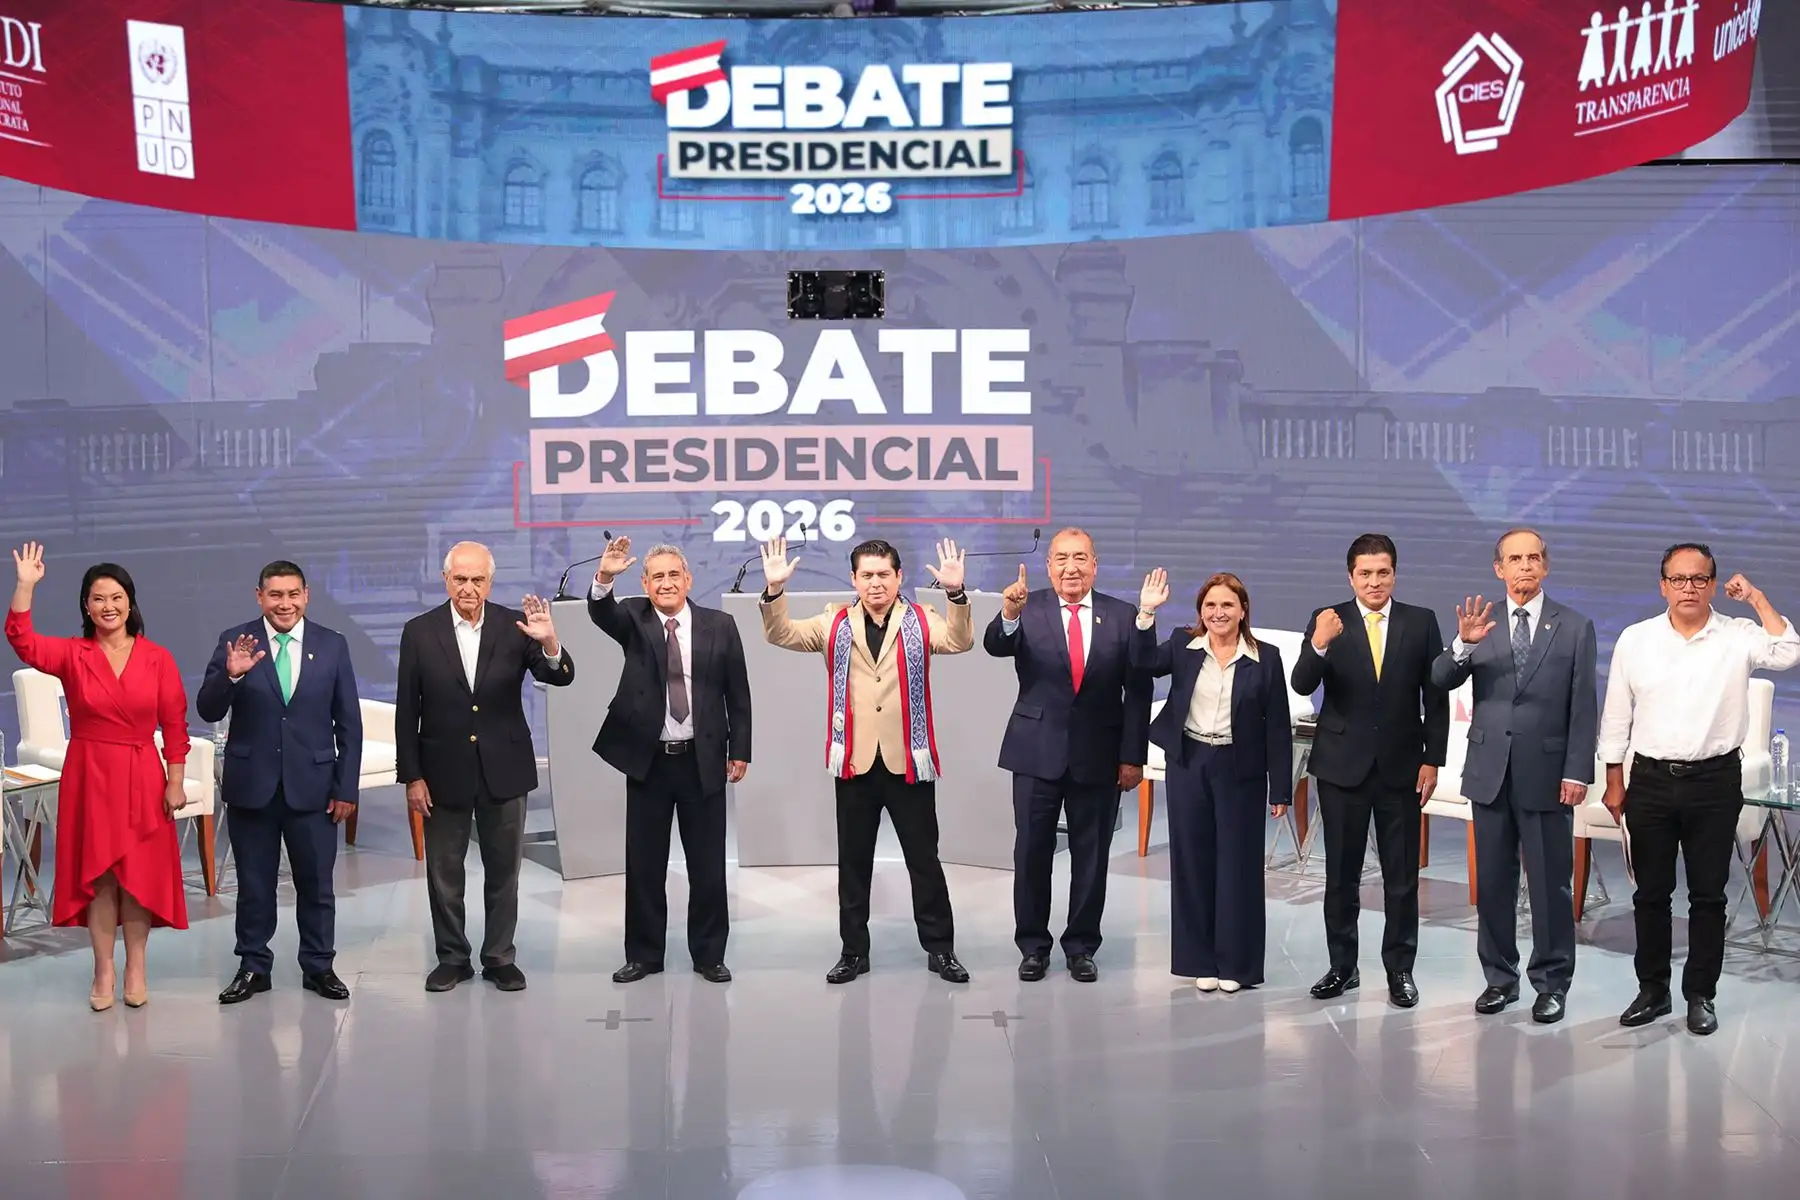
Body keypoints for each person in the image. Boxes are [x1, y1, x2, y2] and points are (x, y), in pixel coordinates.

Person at [1599, 543, 1800, 1035]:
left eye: (1699, 579)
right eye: (1678, 579)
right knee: (1651, 894)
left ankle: (1700, 994)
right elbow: (1617, 714)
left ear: (1712, 585)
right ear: (1662, 584)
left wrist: (1754, 597)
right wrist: (1613, 780)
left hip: (1714, 781)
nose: (1688, 588)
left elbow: (1789, 651)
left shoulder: (1737, 635)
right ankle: (1653, 990)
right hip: (1648, 780)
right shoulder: (1636, 639)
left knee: (1708, 896)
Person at [759, 536, 974, 984]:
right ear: (853, 579)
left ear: (899, 577)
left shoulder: (921, 618)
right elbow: (780, 633)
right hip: (855, 762)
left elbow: (959, 640)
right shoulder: (833, 622)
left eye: (884, 574)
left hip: (908, 761)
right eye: (866, 575)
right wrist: (775, 590)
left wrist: (956, 594)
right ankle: (854, 951)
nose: (875, 583)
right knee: (853, 863)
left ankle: (941, 949)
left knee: (924, 861)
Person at [6, 542, 191, 1010]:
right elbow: (22, 640)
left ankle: (136, 967)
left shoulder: (157, 658)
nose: (108, 607)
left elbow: (174, 724)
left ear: (130, 602)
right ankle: (103, 969)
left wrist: (175, 779)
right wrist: (26, 585)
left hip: (142, 774)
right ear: (86, 607)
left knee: (137, 877)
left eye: (116, 598)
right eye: (98, 599)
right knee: (102, 877)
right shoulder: (73, 654)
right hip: (90, 775)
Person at [1430, 530, 1596, 1025]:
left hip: (1548, 774)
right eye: (1514, 559)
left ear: (1545, 566)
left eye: (1533, 558)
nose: (1524, 566)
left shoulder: (1574, 626)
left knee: (1550, 886)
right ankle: (1500, 979)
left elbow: (1583, 706)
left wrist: (1577, 771)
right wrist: (1463, 643)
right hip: (1490, 773)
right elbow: (1440, 678)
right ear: (1498, 569)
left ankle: (1552, 983)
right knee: (1494, 884)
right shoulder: (1481, 623)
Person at [395, 541, 573, 994]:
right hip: (441, 773)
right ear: (446, 580)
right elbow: (405, 711)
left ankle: (499, 957)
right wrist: (412, 776)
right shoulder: (419, 631)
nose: (469, 588)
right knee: (444, 875)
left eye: (477, 579)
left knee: (504, 873)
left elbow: (559, 675)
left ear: (490, 582)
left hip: (505, 771)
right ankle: (452, 958)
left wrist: (549, 640)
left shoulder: (518, 627)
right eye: (460, 579)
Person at [983, 528, 1150, 983]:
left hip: (1099, 754)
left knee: (1091, 856)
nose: (1070, 567)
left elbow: (1137, 690)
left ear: (1095, 565)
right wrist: (1008, 614)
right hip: (1036, 752)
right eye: (1061, 558)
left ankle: (1081, 946)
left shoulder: (1122, 615)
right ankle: (1033, 946)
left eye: (1080, 558)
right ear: (1048, 565)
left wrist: (1133, 755)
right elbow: (996, 644)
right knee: (1032, 852)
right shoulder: (1026, 606)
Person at [1291, 533, 1449, 1008]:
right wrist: (1318, 644)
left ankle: (1400, 969)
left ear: (1395, 574)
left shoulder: (1421, 622)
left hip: (1402, 768)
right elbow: (1302, 683)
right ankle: (1343, 967)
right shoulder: (1328, 620)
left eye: (1383, 572)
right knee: (1341, 876)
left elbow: (1436, 696)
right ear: (1351, 576)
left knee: (1402, 877)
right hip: (1341, 768)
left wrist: (1433, 759)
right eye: (1365, 573)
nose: (1374, 581)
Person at [196, 560, 363, 1005]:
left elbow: (349, 723)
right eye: (275, 595)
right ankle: (253, 966)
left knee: (316, 884)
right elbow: (208, 709)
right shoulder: (237, 641)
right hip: (253, 787)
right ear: (259, 596)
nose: (284, 604)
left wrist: (346, 787)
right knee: (254, 885)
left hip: (314, 787)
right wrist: (231, 675)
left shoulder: (332, 645)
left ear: (306, 595)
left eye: (292, 594)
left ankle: (319, 965)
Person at [587, 536, 751, 984]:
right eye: (656, 576)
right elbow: (601, 611)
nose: (665, 583)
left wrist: (741, 750)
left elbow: (738, 692)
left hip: (703, 760)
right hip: (650, 762)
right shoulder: (634, 620)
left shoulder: (720, 625)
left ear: (688, 579)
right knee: (644, 864)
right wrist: (604, 576)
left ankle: (709, 955)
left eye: (672, 574)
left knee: (707, 865)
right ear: (644, 582)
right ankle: (643, 955)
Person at [1134, 569, 1292, 991]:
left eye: (1227, 605)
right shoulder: (1183, 647)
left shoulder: (1267, 657)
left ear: (1243, 611)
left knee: (1238, 868)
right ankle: (1199, 960)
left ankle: (1236, 966)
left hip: (1240, 769)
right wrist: (1147, 612)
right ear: (1200, 612)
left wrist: (1281, 788)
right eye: (1210, 605)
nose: (1218, 612)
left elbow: (1277, 726)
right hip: (1190, 762)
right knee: (1192, 863)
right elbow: (1143, 663)